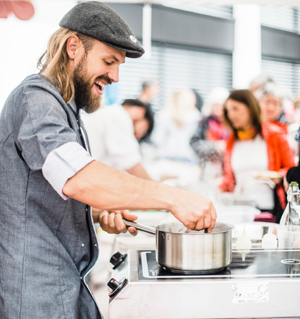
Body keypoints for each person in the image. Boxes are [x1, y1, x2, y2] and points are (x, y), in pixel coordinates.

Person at [0, 2, 217, 319]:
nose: (115, 76)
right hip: (34, 292)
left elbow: (46, 192)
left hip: (61, 282)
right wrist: (174, 197)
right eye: (108, 61)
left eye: (120, 65)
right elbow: (79, 178)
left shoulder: (65, 108)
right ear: (73, 46)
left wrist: (99, 212)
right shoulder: (37, 99)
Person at [219, 89, 295, 223]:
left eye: (235, 109)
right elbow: (230, 180)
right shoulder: (231, 141)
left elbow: (293, 172)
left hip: (268, 209)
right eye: (228, 111)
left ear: (250, 108)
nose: (231, 115)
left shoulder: (275, 136)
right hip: (239, 209)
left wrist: (280, 175)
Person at [83, 99, 154, 180]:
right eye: (143, 130)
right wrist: (157, 187)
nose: (138, 136)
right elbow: (131, 163)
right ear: (139, 111)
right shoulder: (119, 115)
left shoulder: (109, 113)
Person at [152, 88, 201, 163]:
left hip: (166, 157)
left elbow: (157, 139)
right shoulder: (196, 116)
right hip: (188, 157)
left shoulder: (163, 115)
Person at [190, 87, 230, 165]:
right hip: (209, 166)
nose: (219, 108)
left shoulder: (232, 123)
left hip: (230, 166)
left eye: (221, 105)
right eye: (216, 105)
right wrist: (214, 146)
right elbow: (194, 144)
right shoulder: (204, 123)